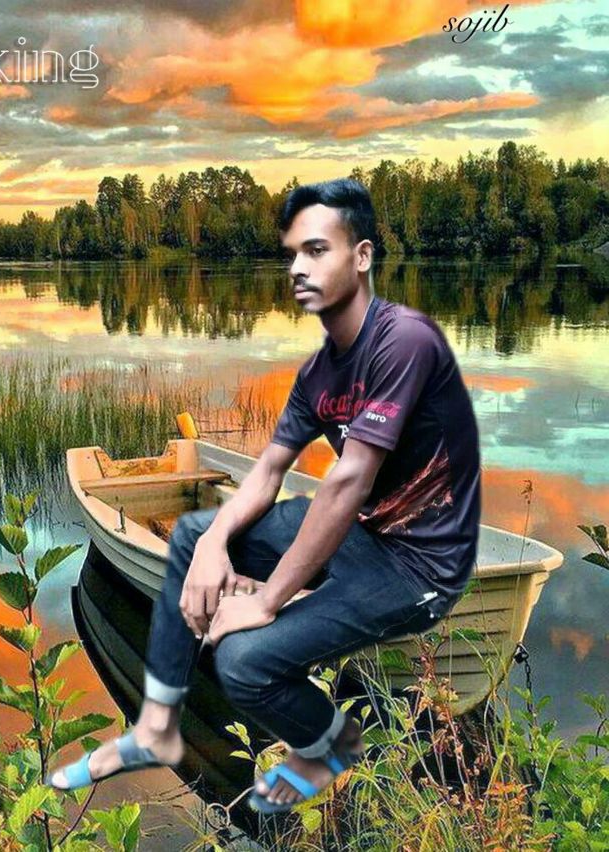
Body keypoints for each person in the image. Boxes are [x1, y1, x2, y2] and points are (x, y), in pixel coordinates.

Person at [48, 178, 481, 814]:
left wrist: (267, 600)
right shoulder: (320, 373)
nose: (299, 268)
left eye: (318, 250)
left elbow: (349, 481)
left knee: (245, 662)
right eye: (293, 253)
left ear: (362, 256)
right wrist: (216, 541)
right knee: (193, 532)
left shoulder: (406, 343)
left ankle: (332, 746)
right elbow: (269, 470)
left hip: (421, 567)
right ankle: (158, 725)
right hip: (365, 537)